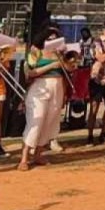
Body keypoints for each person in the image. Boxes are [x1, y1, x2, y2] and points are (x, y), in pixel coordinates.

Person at [19, 27, 66, 171]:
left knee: (50, 121)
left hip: (57, 86)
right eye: (49, 39)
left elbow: (67, 72)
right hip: (40, 87)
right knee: (36, 121)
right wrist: (52, 65)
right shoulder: (35, 51)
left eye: (55, 39)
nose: (52, 42)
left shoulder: (60, 53)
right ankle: (24, 157)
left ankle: (39, 154)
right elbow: (30, 73)